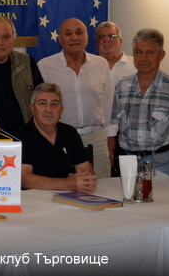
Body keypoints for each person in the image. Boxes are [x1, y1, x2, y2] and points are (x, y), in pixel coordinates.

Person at [37, 18, 116, 179]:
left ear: (87, 37)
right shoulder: (45, 66)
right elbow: (41, 108)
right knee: (62, 185)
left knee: (102, 186)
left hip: (95, 137)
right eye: (68, 34)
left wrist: (111, 139)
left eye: (79, 33)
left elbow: (108, 104)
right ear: (60, 39)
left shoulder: (101, 64)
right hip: (60, 137)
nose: (74, 37)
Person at [110, 28, 169, 180]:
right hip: (129, 164)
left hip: (164, 165)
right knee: (128, 197)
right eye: (138, 52)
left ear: (161, 55)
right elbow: (114, 127)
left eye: (149, 53)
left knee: (165, 197)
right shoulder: (121, 87)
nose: (143, 58)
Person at [14, 83, 96, 193]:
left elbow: (86, 171)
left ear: (61, 110)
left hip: (64, 196)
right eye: (42, 103)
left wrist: (86, 180)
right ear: (32, 109)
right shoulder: (20, 135)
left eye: (54, 104)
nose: (48, 109)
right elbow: (25, 180)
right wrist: (68, 184)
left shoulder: (69, 132)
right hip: (31, 198)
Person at [95, 21, 137, 89]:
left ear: (120, 41)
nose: (107, 40)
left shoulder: (136, 64)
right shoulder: (89, 67)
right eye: (101, 37)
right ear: (97, 44)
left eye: (112, 36)